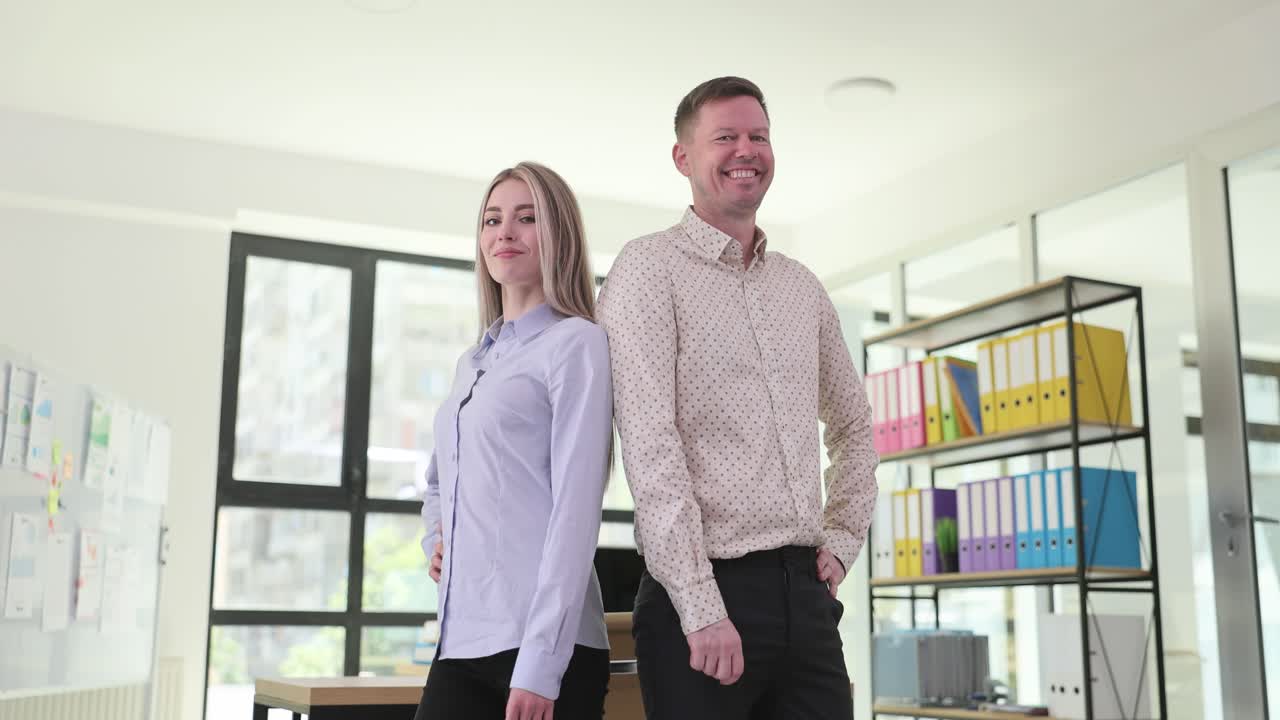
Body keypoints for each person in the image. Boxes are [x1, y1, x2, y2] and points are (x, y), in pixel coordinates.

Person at [596, 77, 880, 719]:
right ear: (683, 158)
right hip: (703, 595)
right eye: (725, 136)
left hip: (806, 600)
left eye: (759, 136)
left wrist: (842, 539)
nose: (745, 150)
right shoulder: (647, 271)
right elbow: (649, 445)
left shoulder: (801, 288)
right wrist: (700, 606)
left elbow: (854, 427)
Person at [417, 161, 612, 720]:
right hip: (460, 641)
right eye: (492, 219)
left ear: (559, 236)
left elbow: (576, 514)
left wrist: (539, 669)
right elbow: (437, 482)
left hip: (544, 648)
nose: (504, 232)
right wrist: (435, 537)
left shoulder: (575, 344)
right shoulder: (472, 362)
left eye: (527, 218)